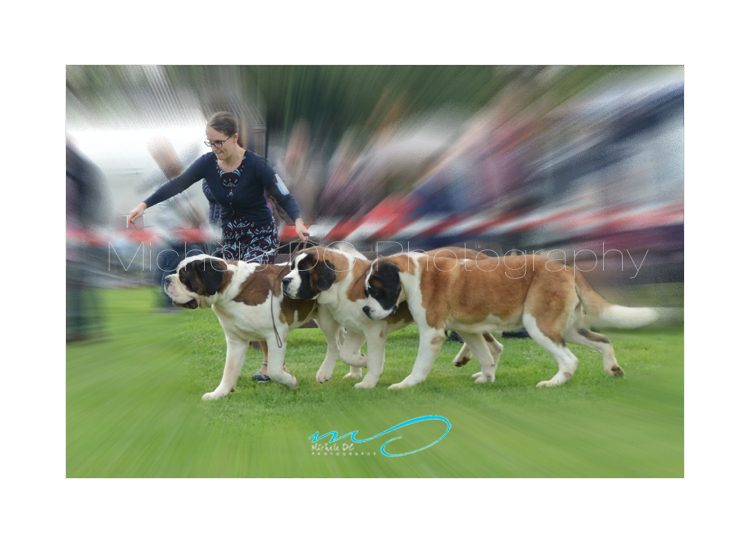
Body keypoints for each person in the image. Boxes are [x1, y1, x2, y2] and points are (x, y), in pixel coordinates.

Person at [128, 112, 310, 381]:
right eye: (209, 143)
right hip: (232, 239)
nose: (214, 148)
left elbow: (283, 194)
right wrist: (144, 205)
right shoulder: (207, 164)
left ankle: (271, 365)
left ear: (234, 137)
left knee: (259, 299)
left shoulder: (257, 165)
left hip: (260, 236)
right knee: (238, 302)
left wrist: (298, 221)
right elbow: (177, 184)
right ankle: (256, 359)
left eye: (218, 142)